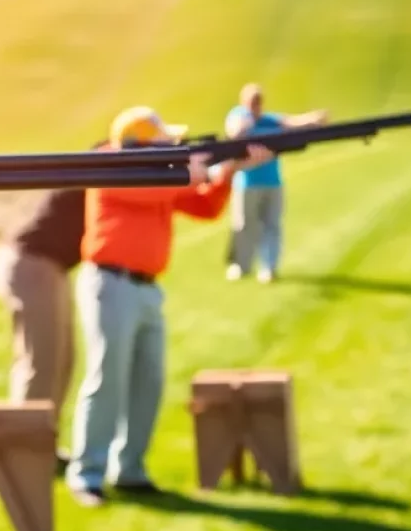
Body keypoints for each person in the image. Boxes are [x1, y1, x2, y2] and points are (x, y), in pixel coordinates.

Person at [65, 105, 272, 507]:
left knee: (149, 380)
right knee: (107, 378)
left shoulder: (162, 177)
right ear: (136, 145)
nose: (174, 147)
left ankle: (129, 470)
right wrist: (196, 171)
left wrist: (228, 171)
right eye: (163, 142)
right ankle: (86, 473)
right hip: (112, 283)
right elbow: (166, 188)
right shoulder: (107, 165)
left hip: (147, 289)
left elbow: (205, 206)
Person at [0, 141, 110, 473]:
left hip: (47, 267)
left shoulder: (103, 172)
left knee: (62, 360)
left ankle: (41, 444)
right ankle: (23, 453)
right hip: (32, 263)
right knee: (42, 361)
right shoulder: (101, 169)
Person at [224, 82, 328, 283]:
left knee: (271, 225)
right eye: (252, 101)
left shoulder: (269, 120)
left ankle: (269, 268)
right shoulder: (238, 116)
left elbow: (292, 122)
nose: (255, 105)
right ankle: (241, 266)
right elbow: (235, 131)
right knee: (244, 225)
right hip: (247, 182)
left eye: (258, 101)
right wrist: (247, 122)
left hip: (272, 182)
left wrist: (313, 120)